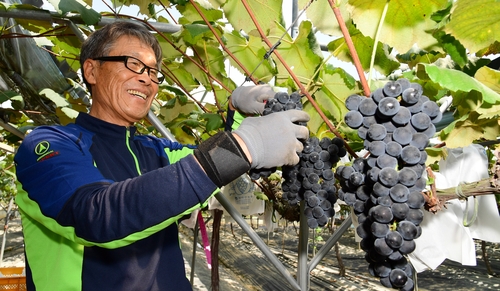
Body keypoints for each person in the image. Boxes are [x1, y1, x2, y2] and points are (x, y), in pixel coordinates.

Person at [14, 20, 309, 290]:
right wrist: (248, 143)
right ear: (91, 70)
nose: (147, 79)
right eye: (132, 64)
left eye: (153, 72)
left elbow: (208, 167)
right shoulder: (49, 145)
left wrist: (236, 112)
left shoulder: (154, 150)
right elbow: (95, 216)